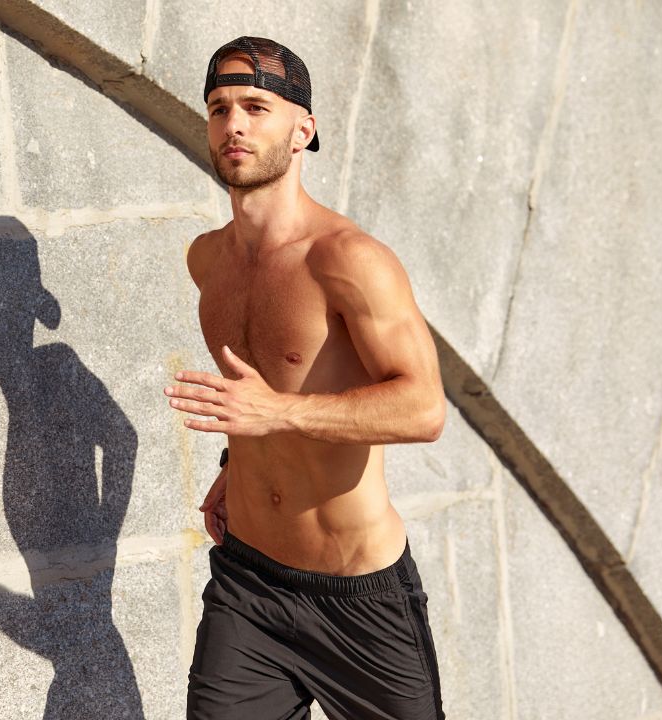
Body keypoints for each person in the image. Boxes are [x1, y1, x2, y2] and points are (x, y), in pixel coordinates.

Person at [164, 37, 448, 719]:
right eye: (218, 107)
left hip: (359, 597)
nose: (233, 124)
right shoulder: (208, 262)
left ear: (302, 130)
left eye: (256, 107)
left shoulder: (348, 259)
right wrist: (238, 462)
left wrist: (278, 417)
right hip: (249, 586)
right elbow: (259, 392)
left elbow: (423, 408)